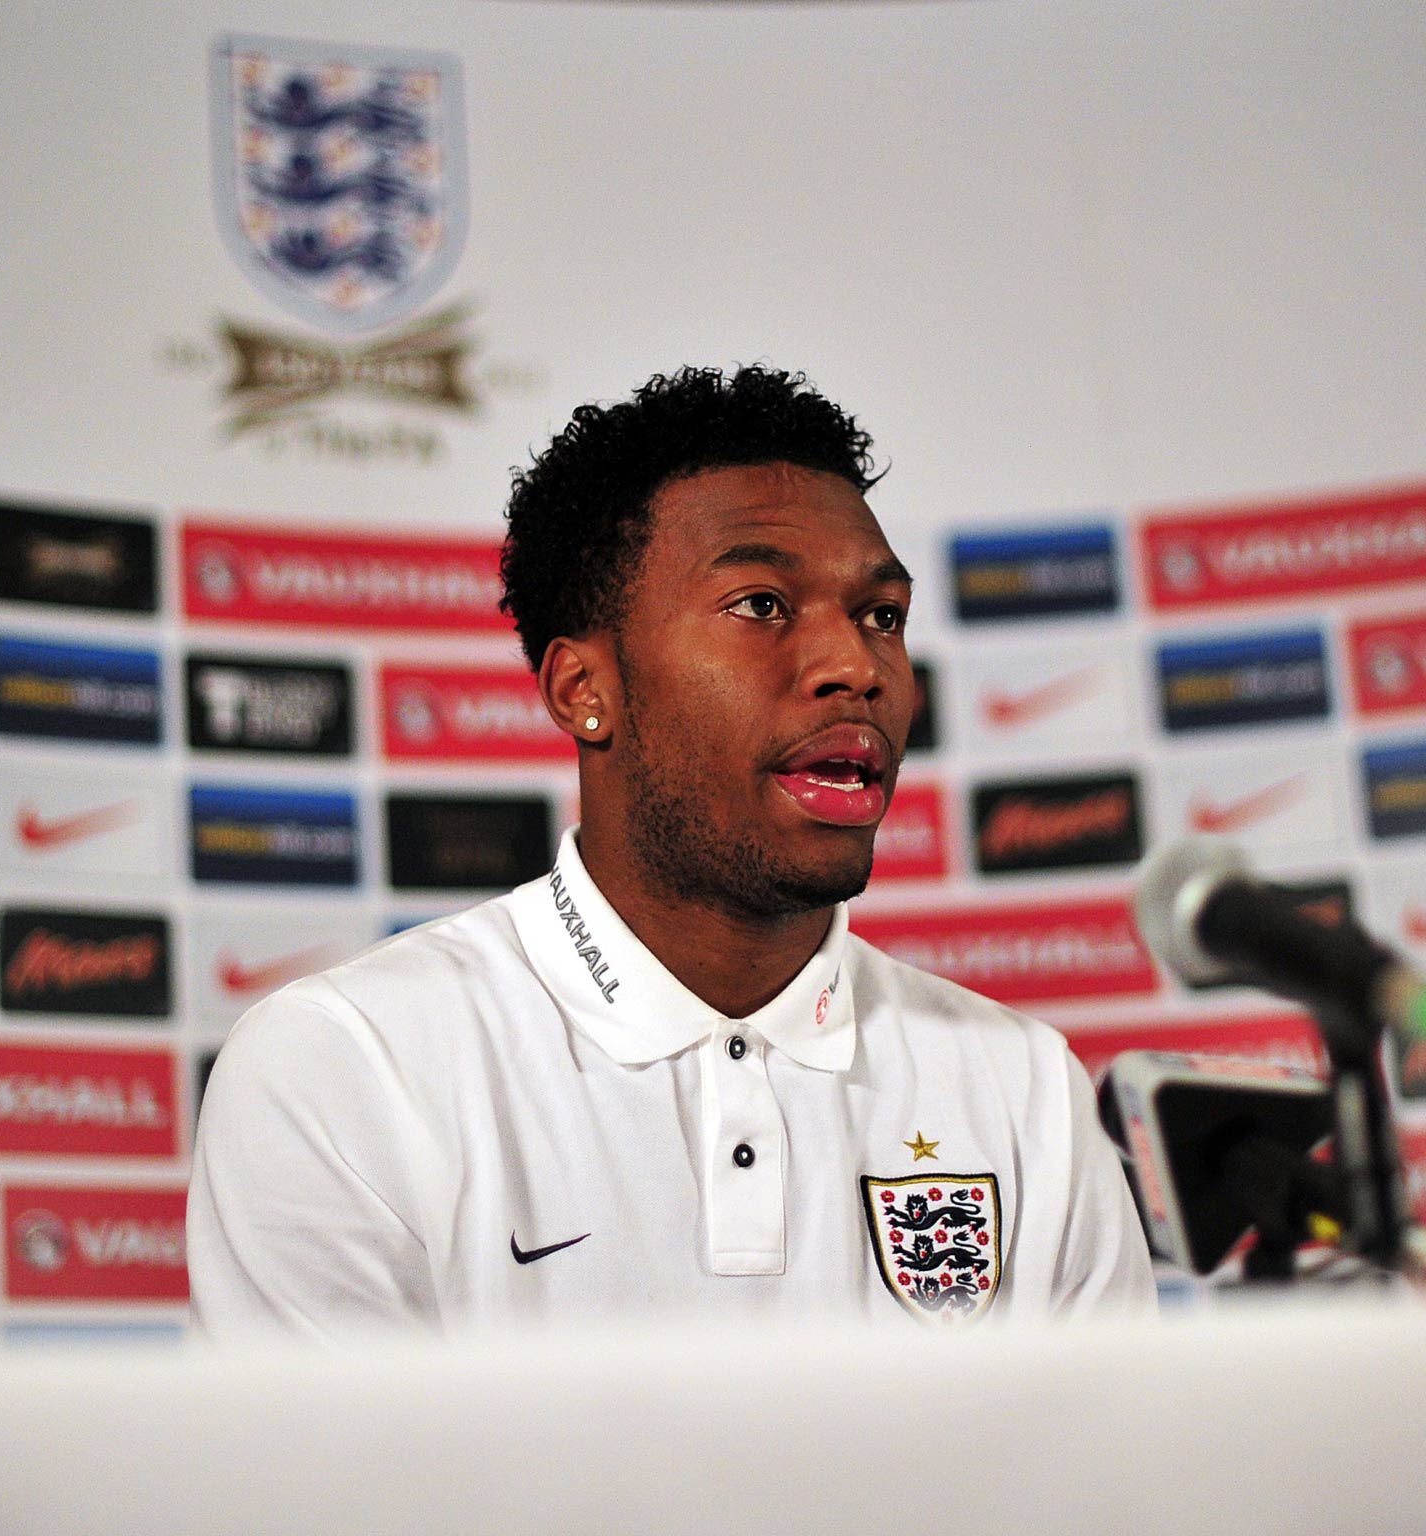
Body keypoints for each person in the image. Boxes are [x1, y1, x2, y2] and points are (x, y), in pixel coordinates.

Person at [188, 365, 1155, 1335]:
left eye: (881, 617)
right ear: (580, 690)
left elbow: (1112, 1486)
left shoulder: (1025, 1089)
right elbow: (333, 1492)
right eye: (761, 606)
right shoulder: (346, 1070)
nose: (854, 668)